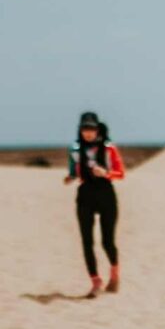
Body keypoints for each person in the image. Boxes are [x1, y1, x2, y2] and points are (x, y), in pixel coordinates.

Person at [64, 111, 125, 298]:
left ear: (97, 129)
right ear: (80, 130)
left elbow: (121, 173)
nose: (88, 132)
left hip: (106, 195)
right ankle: (95, 281)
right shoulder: (75, 149)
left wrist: (105, 173)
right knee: (87, 241)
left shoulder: (108, 148)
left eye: (91, 128)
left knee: (107, 242)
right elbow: (75, 171)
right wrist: (70, 177)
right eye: (85, 129)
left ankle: (114, 274)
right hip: (85, 196)